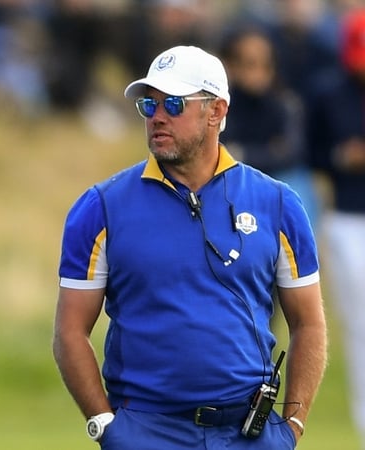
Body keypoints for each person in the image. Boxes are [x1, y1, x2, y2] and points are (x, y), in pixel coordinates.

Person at [53, 45, 327, 449]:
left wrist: (292, 427)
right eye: (149, 104)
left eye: (174, 104)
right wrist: (104, 425)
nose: (158, 117)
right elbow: (70, 331)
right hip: (146, 430)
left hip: (247, 432)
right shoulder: (101, 207)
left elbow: (309, 323)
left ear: (216, 111)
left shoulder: (278, 203)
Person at [306, 8, 365, 445]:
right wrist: (343, 159)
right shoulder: (327, 93)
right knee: (360, 325)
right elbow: (312, 153)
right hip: (348, 216)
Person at [219, 25, 320, 229]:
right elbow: (219, 152)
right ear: (231, 66)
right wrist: (270, 151)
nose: (259, 73)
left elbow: (291, 153)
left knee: (295, 185)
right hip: (234, 184)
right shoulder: (222, 106)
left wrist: (242, 152)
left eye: (266, 65)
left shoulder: (286, 104)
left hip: (282, 180)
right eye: (250, 64)